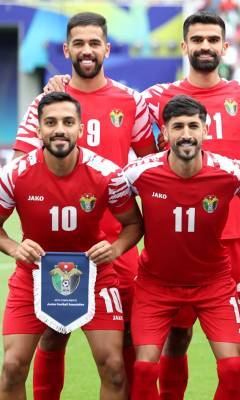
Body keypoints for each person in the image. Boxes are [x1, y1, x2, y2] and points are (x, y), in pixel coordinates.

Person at [13, 12, 155, 398]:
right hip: (57, 247)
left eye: (94, 43)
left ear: (106, 48)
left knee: (125, 342)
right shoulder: (47, 102)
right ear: (66, 50)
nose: (87, 50)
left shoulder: (131, 101)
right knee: (52, 335)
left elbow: (151, 167)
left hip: (115, 245)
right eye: (79, 43)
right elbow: (20, 169)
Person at [0, 91, 143, 399]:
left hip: (94, 276)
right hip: (33, 275)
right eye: (50, 122)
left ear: (81, 128)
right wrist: (14, 247)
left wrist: (116, 249)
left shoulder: (107, 174)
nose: (59, 130)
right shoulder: (15, 174)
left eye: (67, 122)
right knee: (11, 367)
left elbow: (134, 224)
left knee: (114, 368)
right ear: (38, 129)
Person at [123, 95, 240, 400]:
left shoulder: (232, 173)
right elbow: (106, 198)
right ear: (165, 133)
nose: (186, 134)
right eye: (177, 126)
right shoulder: (137, 173)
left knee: (233, 367)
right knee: (143, 370)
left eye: (193, 126)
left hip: (214, 283)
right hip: (156, 284)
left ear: (205, 130)